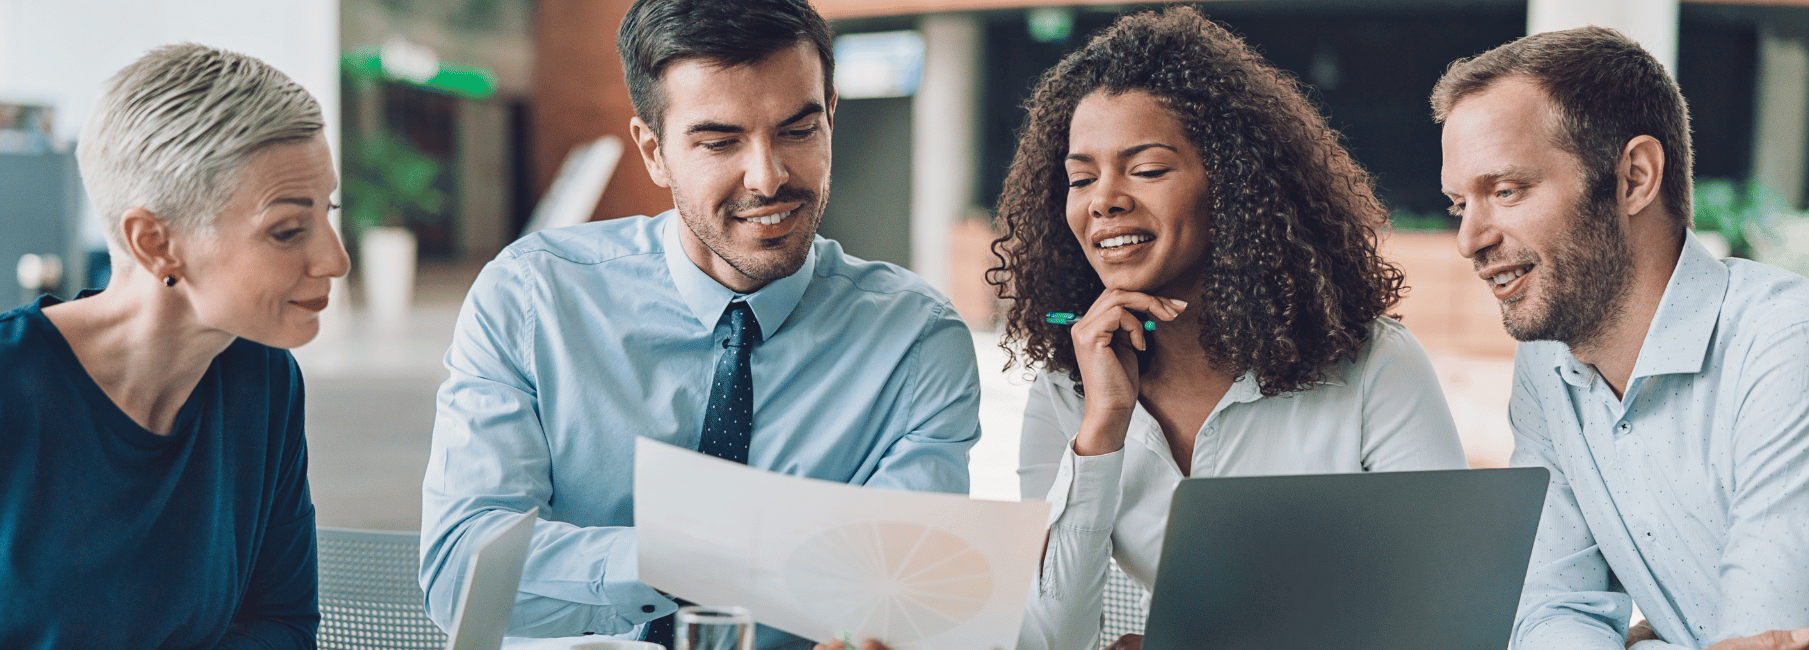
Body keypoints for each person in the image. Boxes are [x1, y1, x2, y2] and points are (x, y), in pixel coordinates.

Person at [418, 1, 981, 648]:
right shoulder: (532, 300)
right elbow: (464, 576)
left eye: (798, 131)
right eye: (720, 142)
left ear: (831, 116)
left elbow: (907, 596)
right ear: (654, 152)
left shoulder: (915, 341)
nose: (768, 177)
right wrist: (691, 556)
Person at [981, 8, 1469, 650]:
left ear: (1235, 184)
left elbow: (1450, 614)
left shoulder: (1373, 366)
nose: (1104, 199)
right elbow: (1049, 640)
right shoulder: (1068, 392)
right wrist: (1102, 433)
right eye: (1081, 178)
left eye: (1147, 169)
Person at [0, 44, 347, 649]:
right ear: (155, 242)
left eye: (327, 212)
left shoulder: (262, 381)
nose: (335, 259)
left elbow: (281, 620)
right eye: (288, 230)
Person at [1433, 27, 1809, 650]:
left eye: (1506, 191)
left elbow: (1764, 637)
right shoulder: (1546, 366)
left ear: (1634, 178)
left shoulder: (1784, 348)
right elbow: (1548, 611)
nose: (1471, 239)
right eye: (1458, 205)